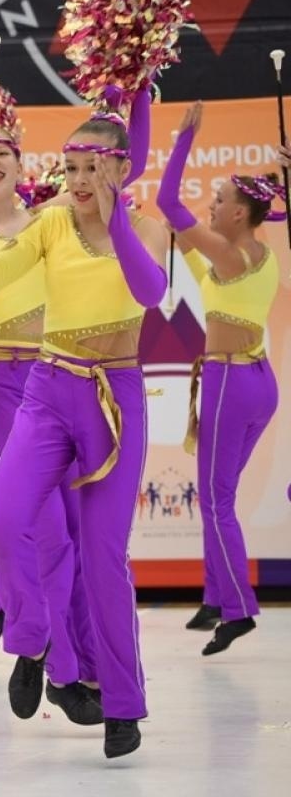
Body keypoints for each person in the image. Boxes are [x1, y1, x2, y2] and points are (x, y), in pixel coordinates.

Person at [0, 95, 169, 760]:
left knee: (104, 556)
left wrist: (117, 220)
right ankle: (31, 637)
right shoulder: (49, 223)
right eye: (70, 167)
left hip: (114, 400)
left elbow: (148, 292)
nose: (76, 182)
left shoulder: (149, 225)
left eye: (89, 168)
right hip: (48, 392)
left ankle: (123, 703)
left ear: (118, 169)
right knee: (4, 519)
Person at [0, 127, 102, 726]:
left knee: (72, 534)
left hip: (56, 378)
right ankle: (40, 647)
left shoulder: (54, 219)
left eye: (2, 155)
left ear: (21, 166)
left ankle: (78, 669)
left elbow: (113, 168)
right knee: (39, 530)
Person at [164, 104, 281, 655]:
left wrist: (184, 141)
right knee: (220, 494)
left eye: (219, 202)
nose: (209, 206)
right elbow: (186, 240)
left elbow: (167, 204)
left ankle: (236, 608)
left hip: (230, 385)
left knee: (215, 499)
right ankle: (215, 596)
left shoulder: (230, 255)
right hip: (258, 382)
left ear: (239, 215)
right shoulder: (256, 255)